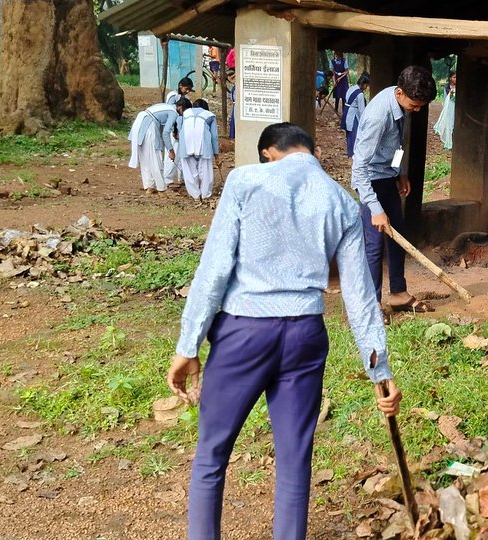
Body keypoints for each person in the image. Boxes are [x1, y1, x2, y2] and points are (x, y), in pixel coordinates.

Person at [168, 122, 400, 540]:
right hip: (305, 336)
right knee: (294, 462)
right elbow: (360, 295)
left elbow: (215, 268)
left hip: (244, 332)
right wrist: (380, 371)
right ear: (308, 150)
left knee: (211, 455)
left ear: (269, 153)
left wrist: (189, 344)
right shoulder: (342, 202)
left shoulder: (245, 181)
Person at [351, 65, 438, 314]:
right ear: (400, 93)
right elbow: (359, 170)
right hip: (370, 182)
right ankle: (370, 304)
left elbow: (398, 142)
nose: (418, 109)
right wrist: (375, 208)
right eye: (415, 104)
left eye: (421, 105)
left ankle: (398, 293)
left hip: (387, 177)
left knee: (398, 235)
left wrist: (399, 172)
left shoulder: (399, 101)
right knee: (374, 245)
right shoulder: (378, 116)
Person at [128, 98, 189, 194]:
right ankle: (162, 189)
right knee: (156, 158)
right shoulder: (174, 112)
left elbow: (162, 128)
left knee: (145, 158)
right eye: (184, 112)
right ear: (181, 107)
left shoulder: (167, 107)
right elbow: (165, 133)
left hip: (140, 122)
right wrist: (171, 150)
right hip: (149, 125)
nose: (182, 115)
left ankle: (149, 186)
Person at [178, 99, 220, 203]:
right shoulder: (210, 115)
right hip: (203, 145)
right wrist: (216, 154)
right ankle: (205, 195)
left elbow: (180, 128)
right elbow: (214, 137)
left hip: (186, 144)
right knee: (205, 170)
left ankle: (195, 195)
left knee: (189, 170)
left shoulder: (185, 113)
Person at [342, 74, 370, 159]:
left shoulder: (351, 88)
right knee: (354, 133)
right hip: (353, 114)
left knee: (349, 133)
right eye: (367, 85)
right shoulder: (360, 94)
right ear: (364, 84)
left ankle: (350, 151)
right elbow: (362, 110)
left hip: (347, 111)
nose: (366, 87)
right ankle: (354, 153)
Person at [433, 71, 456, 150]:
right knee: (448, 124)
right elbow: (446, 98)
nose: (455, 79)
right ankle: (448, 142)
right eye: (454, 77)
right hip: (449, 108)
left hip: (455, 108)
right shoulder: (447, 88)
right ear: (450, 78)